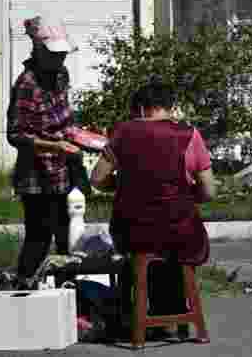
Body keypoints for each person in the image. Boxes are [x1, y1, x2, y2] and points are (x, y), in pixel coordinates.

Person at [90, 80, 217, 331]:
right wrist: (189, 195)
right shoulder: (189, 135)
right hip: (181, 233)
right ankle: (173, 314)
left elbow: (96, 179)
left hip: (132, 233)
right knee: (175, 244)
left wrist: (123, 186)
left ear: (139, 109)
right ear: (171, 107)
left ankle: (131, 316)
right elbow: (209, 190)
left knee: (138, 253)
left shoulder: (123, 133)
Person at [5, 16, 82, 289]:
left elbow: (65, 119)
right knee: (39, 235)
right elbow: (15, 135)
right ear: (38, 50)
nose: (60, 60)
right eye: (54, 55)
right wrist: (54, 145)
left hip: (65, 168)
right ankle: (22, 289)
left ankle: (67, 294)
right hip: (36, 175)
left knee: (67, 236)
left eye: (63, 54)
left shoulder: (61, 75)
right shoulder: (26, 84)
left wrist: (82, 136)